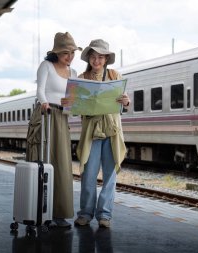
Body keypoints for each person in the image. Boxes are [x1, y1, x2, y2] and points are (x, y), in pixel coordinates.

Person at [26, 32, 81, 228]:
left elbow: (72, 100)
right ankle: (36, 211)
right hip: (45, 115)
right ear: (56, 52)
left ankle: (59, 213)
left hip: (62, 118)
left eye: (72, 52)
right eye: (65, 53)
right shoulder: (46, 66)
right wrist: (45, 103)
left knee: (62, 164)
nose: (70, 56)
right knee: (42, 160)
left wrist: (73, 107)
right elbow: (40, 90)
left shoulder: (73, 73)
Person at [74, 39, 130, 228]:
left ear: (106, 59)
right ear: (89, 59)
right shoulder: (82, 78)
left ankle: (105, 215)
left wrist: (126, 101)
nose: (96, 61)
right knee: (88, 174)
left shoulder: (115, 75)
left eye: (100, 57)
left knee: (110, 175)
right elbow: (75, 109)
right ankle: (85, 213)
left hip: (112, 131)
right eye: (93, 57)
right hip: (91, 132)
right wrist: (73, 102)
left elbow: (123, 104)